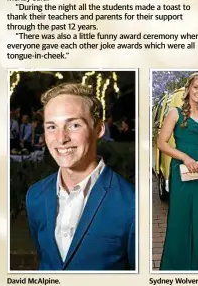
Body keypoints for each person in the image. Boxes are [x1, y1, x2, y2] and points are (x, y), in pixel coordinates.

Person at [25, 83, 135, 271]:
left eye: (74, 125)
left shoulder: (131, 203)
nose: (61, 138)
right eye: (52, 126)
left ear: (98, 129)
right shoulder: (35, 195)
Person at [159, 72, 198, 271]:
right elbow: (161, 143)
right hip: (183, 171)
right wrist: (184, 157)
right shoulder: (175, 112)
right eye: (196, 87)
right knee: (181, 219)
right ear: (188, 88)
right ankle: (178, 267)